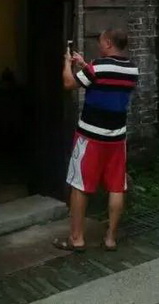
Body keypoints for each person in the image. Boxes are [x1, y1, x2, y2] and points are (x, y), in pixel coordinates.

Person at [54, 28, 139, 253]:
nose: (99, 45)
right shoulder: (132, 69)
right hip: (117, 137)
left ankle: (77, 239)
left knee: (80, 185)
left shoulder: (98, 67)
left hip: (90, 137)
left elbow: (69, 83)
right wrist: (85, 65)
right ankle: (110, 238)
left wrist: (67, 64)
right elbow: (107, 82)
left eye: (101, 42)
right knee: (116, 186)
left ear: (109, 43)